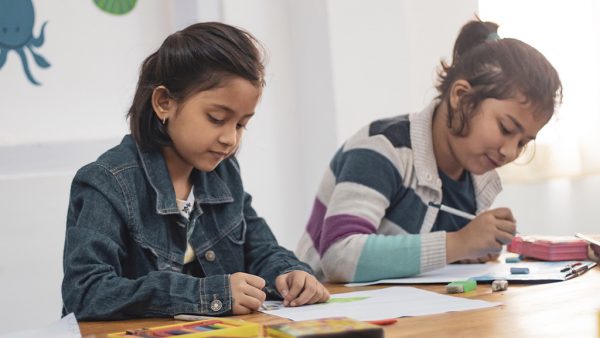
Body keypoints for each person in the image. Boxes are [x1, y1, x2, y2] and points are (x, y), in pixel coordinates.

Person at [62, 22, 329, 320]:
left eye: (241, 124)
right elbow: (86, 292)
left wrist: (290, 273)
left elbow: (261, 248)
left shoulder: (223, 173)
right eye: (216, 119)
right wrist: (207, 295)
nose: (230, 138)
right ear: (164, 103)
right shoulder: (107, 182)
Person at [296, 19, 562, 282]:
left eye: (523, 142)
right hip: (329, 309)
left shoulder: (477, 178)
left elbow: (426, 255)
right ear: (460, 96)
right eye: (505, 128)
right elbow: (339, 255)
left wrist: (469, 251)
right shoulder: (381, 148)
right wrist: (459, 243)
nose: (510, 152)